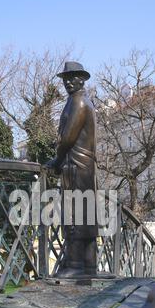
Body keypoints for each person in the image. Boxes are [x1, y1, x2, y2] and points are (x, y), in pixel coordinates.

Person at [45, 61, 98, 277]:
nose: (68, 82)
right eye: (66, 79)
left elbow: (67, 138)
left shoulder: (79, 102)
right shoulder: (79, 100)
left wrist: (56, 161)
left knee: (75, 212)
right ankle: (89, 263)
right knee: (85, 212)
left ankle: (76, 265)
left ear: (82, 79)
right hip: (83, 164)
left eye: (72, 78)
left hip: (76, 164)